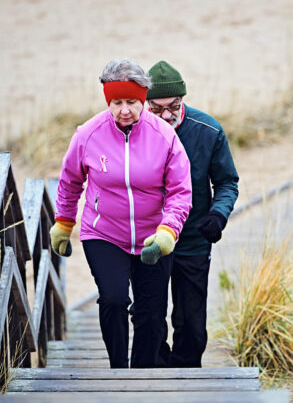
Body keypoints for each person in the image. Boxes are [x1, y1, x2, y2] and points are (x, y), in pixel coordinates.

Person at [50, 58, 192, 369]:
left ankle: (139, 375)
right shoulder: (88, 134)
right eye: (116, 102)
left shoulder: (165, 138)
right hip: (104, 233)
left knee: (151, 314)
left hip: (153, 236)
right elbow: (70, 180)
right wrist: (63, 222)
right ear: (108, 101)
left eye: (131, 101)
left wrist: (168, 231)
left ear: (143, 100)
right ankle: (118, 367)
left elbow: (181, 191)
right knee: (113, 299)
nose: (124, 110)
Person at [146, 60, 239, 367]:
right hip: (148, 239)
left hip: (194, 239)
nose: (167, 115)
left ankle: (188, 377)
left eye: (174, 105)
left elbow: (227, 182)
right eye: (156, 109)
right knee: (150, 317)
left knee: (191, 322)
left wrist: (218, 215)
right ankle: (156, 379)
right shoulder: (131, 131)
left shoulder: (208, 130)